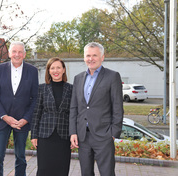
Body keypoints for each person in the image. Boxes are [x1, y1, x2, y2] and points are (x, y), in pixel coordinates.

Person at [69, 42, 124, 176]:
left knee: (107, 173)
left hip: (104, 135)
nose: (91, 59)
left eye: (95, 55)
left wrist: (113, 133)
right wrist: (73, 132)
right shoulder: (78, 78)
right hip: (83, 136)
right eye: (88, 55)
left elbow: (117, 106)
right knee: (86, 173)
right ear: (84, 57)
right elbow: (74, 107)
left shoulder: (112, 76)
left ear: (102, 57)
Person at [0, 41, 39, 176]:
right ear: (10, 53)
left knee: (21, 157)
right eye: (14, 51)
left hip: (21, 122)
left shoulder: (32, 71)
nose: (17, 54)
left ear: (24, 54)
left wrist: (26, 119)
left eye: (20, 52)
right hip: (2, 120)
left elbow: (35, 98)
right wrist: (4, 116)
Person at [31, 57, 72, 176]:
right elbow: (36, 113)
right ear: (48, 71)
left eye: (58, 67)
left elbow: (73, 114)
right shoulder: (42, 88)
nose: (56, 70)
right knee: (44, 170)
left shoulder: (71, 89)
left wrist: (74, 134)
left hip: (63, 137)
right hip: (45, 136)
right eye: (52, 68)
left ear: (63, 70)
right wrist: (34, 135)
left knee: (62, 170)